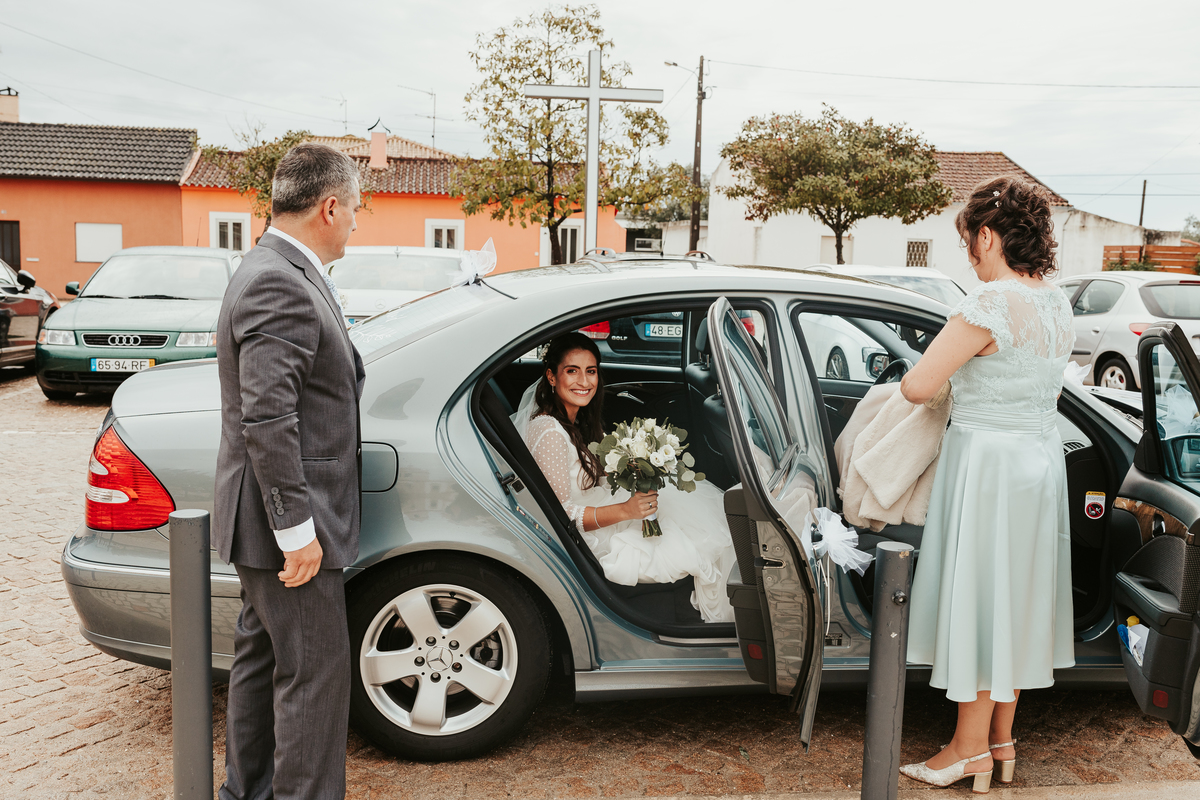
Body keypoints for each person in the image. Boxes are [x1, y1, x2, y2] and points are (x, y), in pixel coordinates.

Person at [897, 176, 1075, 794]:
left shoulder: (990, 303)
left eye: (969, 240)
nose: (969, 255)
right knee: (1014, 601)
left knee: (980, 599)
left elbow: (918, 386)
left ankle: (966, 750)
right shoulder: (1057, 301)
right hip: (1039, 463)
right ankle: (1001, 741)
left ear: (988, 236)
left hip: (988, 466)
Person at [213, 143, 366, 800]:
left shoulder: (272, 266)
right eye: (354, 209)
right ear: (329, 207)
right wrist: (297, 529)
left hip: (262, 520)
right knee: (313, 678)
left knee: (263, 662)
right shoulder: (279, 280)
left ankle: (245, 793)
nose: (356, 221)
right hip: (290, 525)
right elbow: (268, 417)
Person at [512, 332, 737, 623]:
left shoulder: (574, 420)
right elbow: (559, 514)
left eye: (591, 371)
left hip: (601, 504)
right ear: (552, 377)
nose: (584, 381)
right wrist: (625, 511)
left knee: (701, 518)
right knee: (700, 541)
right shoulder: (549, 432)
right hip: (589, 535)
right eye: (572, 371)